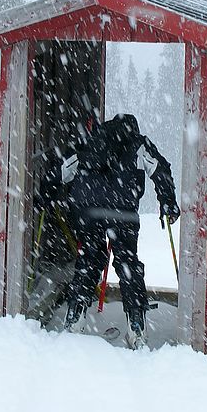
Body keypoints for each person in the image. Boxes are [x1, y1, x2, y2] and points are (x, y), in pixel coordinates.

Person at [45, 113, 180, 349]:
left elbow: (63, 169)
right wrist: (168, 201)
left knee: (89, 259)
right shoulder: (138, 144)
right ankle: (136, 326)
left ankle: (75, 318)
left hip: (89, 209)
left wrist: (46, 193)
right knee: (128, 264)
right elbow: (160, 169)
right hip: (122, 211)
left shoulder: (90, 140)